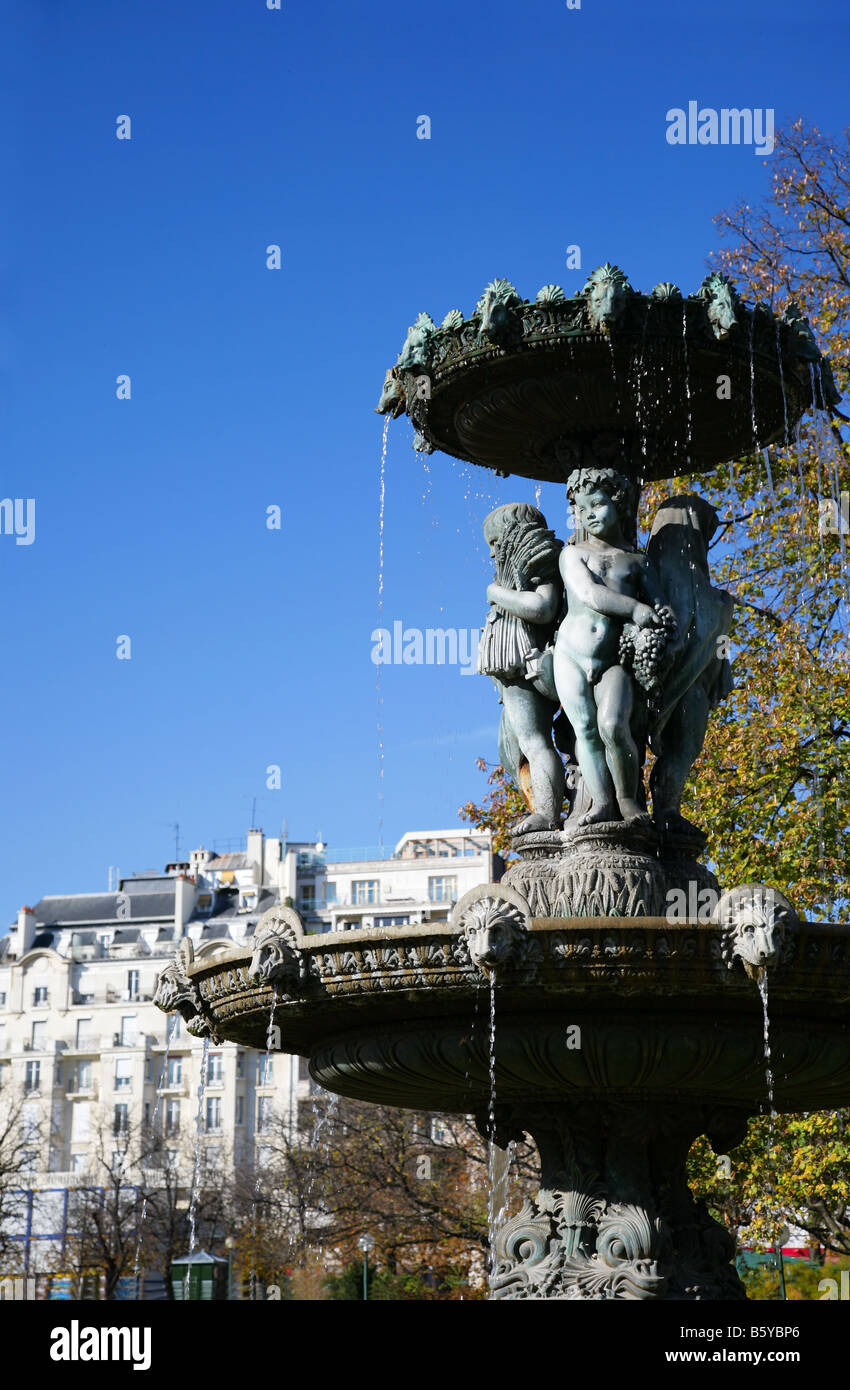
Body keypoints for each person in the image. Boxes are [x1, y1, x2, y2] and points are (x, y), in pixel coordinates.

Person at [553, 467, 675, 826]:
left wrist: (663, 618)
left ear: (619, 504)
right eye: (580, 508)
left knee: (612, 725)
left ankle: (627, 799)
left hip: (615, 657)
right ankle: (601, 803)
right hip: (570, 655)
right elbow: (590, 594)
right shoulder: (572, 554)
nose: (587, 513)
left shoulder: (638, 561)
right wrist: (637, 609)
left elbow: (660, 601)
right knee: (585, 731)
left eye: (597, 504)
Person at [478, 503, 566, 833]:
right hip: (518, 665)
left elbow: (543, 607)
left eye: (493, 542)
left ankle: (548, 813)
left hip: (528, 662)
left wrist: (496, 593)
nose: (490, 555)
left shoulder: (536, 557)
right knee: (518, 746)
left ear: (510, 534)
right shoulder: (527, 560)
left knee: (534, 742)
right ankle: (547, 808)